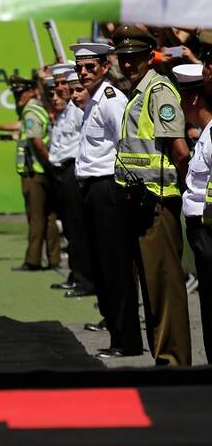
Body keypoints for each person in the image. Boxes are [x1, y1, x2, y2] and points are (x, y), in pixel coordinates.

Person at [112, 25, 191, 366]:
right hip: (140, 203)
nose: (128, 64)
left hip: (158, 203)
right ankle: (164, 359)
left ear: (149, 57)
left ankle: (174, 362)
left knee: (164, 289)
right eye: (124, 58)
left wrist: (184, 197)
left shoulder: (158, 92)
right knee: (152, 288)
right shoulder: (139, 92)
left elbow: (180, 151)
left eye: (135, 58)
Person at [71, 42, 142, 359]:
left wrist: (122, 189)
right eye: (79, 68)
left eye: (90, 67)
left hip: (108, 187)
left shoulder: (111, 99)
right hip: (92, 188)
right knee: (101, 265)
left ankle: (126, 340)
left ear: (103, 67)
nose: (83, 73)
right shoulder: (93, 100)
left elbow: (125, 143)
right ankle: (116, 333)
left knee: (115, 266)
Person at [175, 62, 212, 364]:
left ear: (195, 98)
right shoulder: (205, 134)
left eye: (182, 98)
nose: (179, 106)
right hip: (203, 231)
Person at [48, 64, 94, 298]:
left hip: (74, 169)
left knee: (78, 228)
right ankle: (76, 274)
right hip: (63, 171)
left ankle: (85, 279)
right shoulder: (66, 110)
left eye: (63, 84)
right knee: (70, 228)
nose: (60, 88)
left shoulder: (78, 110)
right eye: (56, 84)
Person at [9, 75, 61, 272]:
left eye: (21, 93)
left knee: (36, 217)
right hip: (45, 170)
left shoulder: (30, 112)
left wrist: (49, 165)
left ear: (31, 91)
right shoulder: (39, 109)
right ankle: (54, 259)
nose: (18, 97)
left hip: (36, 173)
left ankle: (33, 260)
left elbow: (37, 143)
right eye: (16, 94)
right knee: (49, 217)